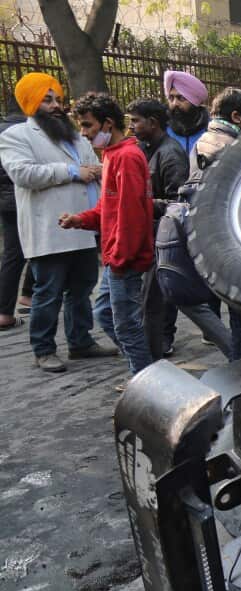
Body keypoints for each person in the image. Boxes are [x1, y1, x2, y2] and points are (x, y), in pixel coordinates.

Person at [0, 73, 115, 372]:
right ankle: (44, 348)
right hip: (49, 228)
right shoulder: (15, 137)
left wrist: (98, 173)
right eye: (47, 100)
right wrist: (73, 171)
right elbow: (24, 174)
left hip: (83, 226)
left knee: (82, 288)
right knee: (48, 292)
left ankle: (80, 342)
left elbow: (96, 168)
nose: (56, 106)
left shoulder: (75, 136)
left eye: (59, 100)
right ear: (31, 103)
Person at [59, 92, 154, 376]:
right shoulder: (112, 156)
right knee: (105, 315)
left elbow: (132, 216)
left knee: (126, 325)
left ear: (108, 124)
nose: (83, 133)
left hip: (123, 258)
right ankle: (145, 376)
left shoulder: (126, 157)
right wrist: (79, 220)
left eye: (88, 125)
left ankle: (148, 382)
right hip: (115, 256)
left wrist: (121, 258)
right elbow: (108, 208)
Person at [190, 88, 241, 361]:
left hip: (219, 242)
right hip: (231, 244)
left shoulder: (208, 141)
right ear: (236, 116)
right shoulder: (226, 147)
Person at [127, 98, 192, 358]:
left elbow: (179, 201)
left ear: (152, 123)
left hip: (165, 233)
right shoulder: (143, 148)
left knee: (162, 294)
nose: (131, 126)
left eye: (135, 121)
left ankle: (162, 339)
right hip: (148, 231)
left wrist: (142, 203)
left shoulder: (170, 153)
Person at [0, 97, 27, 331]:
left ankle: (6, 310)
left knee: (13, 254)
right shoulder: (25, 132)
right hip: (24, 199)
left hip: (5, 202)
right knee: (35, 250)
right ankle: (20, 301)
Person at [164, 70, 209, 156]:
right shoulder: (162, 130)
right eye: (171, 98)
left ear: (195, 101)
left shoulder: (211, 129)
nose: (175, 103)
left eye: (181, 98)